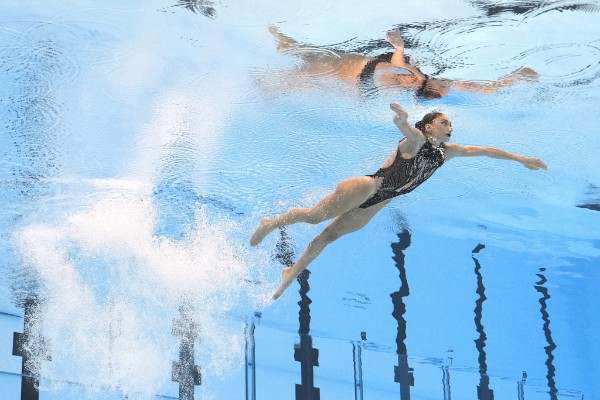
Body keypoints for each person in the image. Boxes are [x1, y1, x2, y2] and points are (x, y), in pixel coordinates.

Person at [250, 102, 547, 300]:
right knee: (315, 217)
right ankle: (270, 223)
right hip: (367, 187)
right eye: (444, 122)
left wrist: (521, 159)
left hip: (380, 202)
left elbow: (483, 151)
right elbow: (406, 131)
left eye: (451, 124)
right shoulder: (416, 140)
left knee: (329, 236)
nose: (450, 127)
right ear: (429, 127)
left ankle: (292, 271)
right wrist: (401, 119)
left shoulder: (447, 152)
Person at [269, 26, 539, 99]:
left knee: (309, 67)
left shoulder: (418, 79)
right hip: (362, 80)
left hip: (356, 72)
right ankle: (284, 45)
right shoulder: (425, 86)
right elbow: (484, 88)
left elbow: (399, 63)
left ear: (434, 88)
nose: (449, 82)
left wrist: (398, 45)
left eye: (445, 85)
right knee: (310, 60)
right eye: (447, 84)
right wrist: (513, 77)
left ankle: (270, 74)